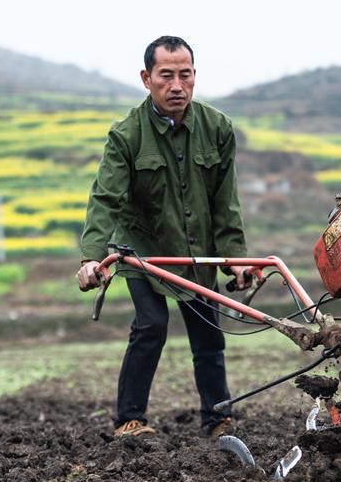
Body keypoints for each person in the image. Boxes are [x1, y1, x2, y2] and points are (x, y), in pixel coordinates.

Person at [76, 36, 250, 438]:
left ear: (194, 77)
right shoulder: (126, 135)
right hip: (145, 252)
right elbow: (106, 198)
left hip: (198, 252)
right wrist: (91, 256)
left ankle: (217, 419)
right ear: (146, 78)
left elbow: (226, 202)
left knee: (209, 332)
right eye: (166, 75)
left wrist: (235, 256)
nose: (177, 86)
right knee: (151, 326)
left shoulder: (217, 128)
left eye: (184, 75)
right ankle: (129, 420)